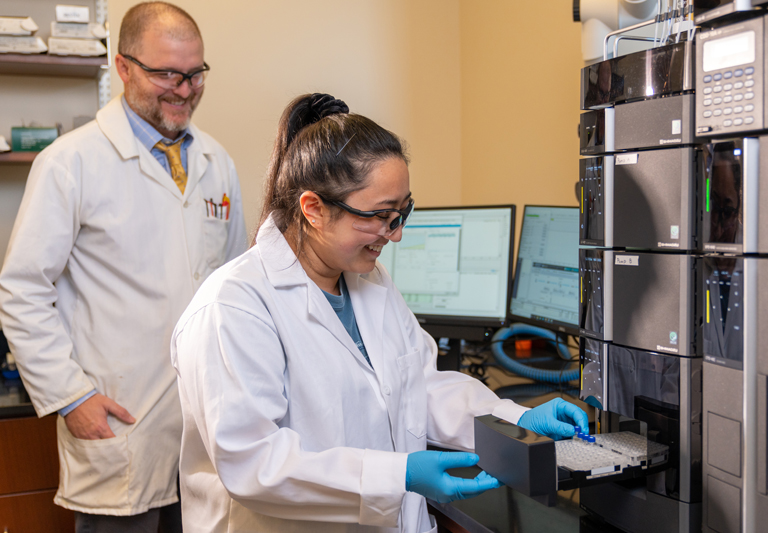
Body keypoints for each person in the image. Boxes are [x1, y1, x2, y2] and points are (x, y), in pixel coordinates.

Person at [171, 93, 588, 533]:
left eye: (402, 211)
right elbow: (254, 464)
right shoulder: (235, 306)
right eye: (379, 216)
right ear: (313, 208)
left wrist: (515, 418)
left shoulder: (370, 281)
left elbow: (420, 387)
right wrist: (398, 475)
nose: (396, 234)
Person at [0, 2, 246, 531]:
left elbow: (233, 289)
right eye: (166, 74)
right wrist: (72, 399)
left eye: (195, 73)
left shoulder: (216, 163)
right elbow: (20, 290)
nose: (183, 89)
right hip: (119, 428)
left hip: (205, 434)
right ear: (124, 67)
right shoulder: (70, 162)